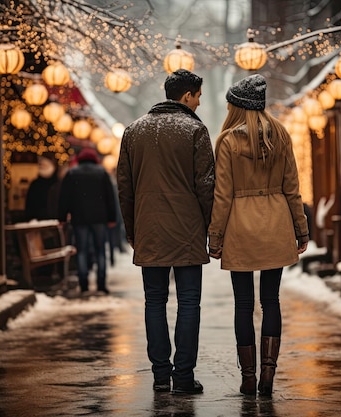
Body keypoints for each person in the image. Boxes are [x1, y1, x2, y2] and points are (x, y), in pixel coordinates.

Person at [207, 74, 309, 397]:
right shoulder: (280, 135)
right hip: (276, 225)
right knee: (271, 301)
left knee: (243, 304)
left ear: (238, 107)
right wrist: (301, 228)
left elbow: (222, 195)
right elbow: (292, 189)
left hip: (240, 229)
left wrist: (215, 236)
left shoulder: (227, 142)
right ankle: (269, 375)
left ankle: (248, 377)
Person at [117, 69, 215, 395]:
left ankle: (160, 376)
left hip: (149, 229)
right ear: (187, 96)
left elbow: (125, 189)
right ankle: (184, 376)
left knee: (154, 303)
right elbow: (206, 186)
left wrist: (132, 230)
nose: (200, 103)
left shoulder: (133, 131)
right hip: (187, 230)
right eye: (198, 96)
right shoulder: (195, 131)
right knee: (189, 303)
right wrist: (211, 227)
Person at [58, 147, 117, 294]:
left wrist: (62, 217)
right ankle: (101, 284)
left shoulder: (72, 173)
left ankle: (83, 284)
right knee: (100, 251)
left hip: (80, 217)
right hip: (99, 218)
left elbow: (64, 198)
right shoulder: (102, 173)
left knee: (82, 251)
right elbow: (111, 198)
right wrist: (112, 217)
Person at [24, 154, 58, 221]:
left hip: (55, 222)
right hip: (38, 222)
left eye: (44, 165)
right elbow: (29, 206)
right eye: (41, 165)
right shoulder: (35, 185)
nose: (42, 167)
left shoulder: (58, 184)